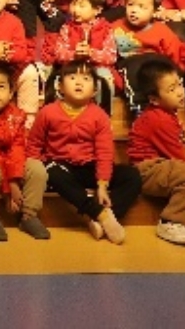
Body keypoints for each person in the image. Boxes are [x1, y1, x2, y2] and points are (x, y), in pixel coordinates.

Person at [26, 60, 142, 244]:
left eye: (86, 79)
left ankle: (104, 218)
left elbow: (104, 152)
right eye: (72, 78)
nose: (79, 82)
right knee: (52, 171)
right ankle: (98, 213)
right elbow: (34, 145)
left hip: (89, 167)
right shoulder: (47, 112)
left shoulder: (99, 116)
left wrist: (102, 184)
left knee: (132, 176)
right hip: (60, 169)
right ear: (60, 87)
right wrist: (33, 174)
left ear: (94, 90)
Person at [128, 58, 185, 246]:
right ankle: (171, 221)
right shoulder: (158, 119)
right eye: (171, 90)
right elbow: (175, 155)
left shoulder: (168, 114)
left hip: (166, 165)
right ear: (154, 99)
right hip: (148, 170)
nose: (180, 92)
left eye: (179, 84)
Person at [0, 63, 51, 241]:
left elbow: (17, 148)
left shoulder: (18, 116)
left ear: (11, 92)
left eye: (1, 87)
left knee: (36, 168)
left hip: (10, 163)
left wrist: (14, 180)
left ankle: (29, 215)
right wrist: (9, 188)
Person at [110, 0, 185, 116]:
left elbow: (176, 58)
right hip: (130, 71)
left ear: (155, 10)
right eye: (131, 5)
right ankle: (140, 113)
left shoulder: (162, 31)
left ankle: (169, 114)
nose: (134, 11)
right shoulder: (115, 28)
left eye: (142, 7)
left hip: (156, 75)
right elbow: (108, 56)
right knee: (134, 64)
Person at [46, 0, 118, 113]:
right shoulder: (66, 28)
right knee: (58, 80)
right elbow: (59, 53)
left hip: (97, 68)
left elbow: (111, 56)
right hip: (73, 68)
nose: (75, 9)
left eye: (81, 6)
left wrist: (91, 53)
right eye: (73, 4)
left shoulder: (106, 29)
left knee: (105, 77)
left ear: (97, 10)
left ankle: (103, 115)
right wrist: (74, 54)